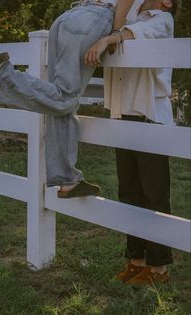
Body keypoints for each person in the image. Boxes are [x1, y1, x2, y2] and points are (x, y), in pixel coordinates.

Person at [0, 0, 137, 198]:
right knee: (64, 97)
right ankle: (3, 74)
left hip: (68, 19)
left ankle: (68, 180)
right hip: (94, 19)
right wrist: (115, 32)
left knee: (55, 98)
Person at [85, 0, 178, 285]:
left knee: (154, 193)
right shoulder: (129, 13)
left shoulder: (162, 19)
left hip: (149, 114)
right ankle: (136, 259)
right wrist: (113, 29)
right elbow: (114, 12)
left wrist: (111, 38)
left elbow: (136, 34)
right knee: (129, 191)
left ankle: (159, 266)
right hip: (123, 113)